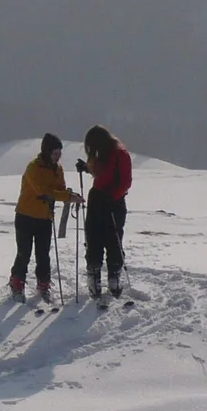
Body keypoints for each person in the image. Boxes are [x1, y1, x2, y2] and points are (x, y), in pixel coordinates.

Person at [10, 133, 81, 302]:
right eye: (55, 153)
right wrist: (67, 197)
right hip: (25, 216)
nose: (58, 156)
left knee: (43, 254)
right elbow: (43, 192)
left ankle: (43, 283)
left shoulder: (58, 169)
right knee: (24, 253)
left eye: (59, 153)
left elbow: (60, 190)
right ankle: (17, 283)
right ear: (46, 152)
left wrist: (70, 195)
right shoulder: (33, 168)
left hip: (45, 217)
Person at [77, 125, 133, 298]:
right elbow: (102, 173)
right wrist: (87, 168)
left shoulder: (119, 153)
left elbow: (125, 181)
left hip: (112, 203)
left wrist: (113, 196)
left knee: (113, 240)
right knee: (94, 238)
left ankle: (113, 278)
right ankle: (94, 278)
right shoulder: (105, 152)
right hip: (99, 200)